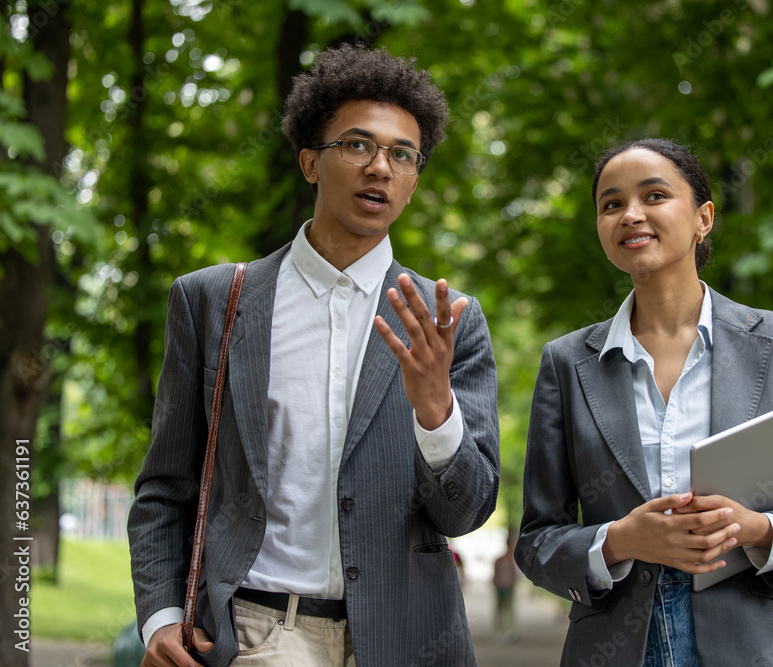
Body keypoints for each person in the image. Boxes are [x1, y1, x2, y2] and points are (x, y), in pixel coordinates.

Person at [128, 44, 499, 667]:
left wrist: (436, 412)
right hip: (257, 634)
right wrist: (161, 617)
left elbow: (465, 511)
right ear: (310, 162)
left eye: (401, 155)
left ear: (413, 180)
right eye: (357, 145)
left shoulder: (448, 320)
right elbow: (166, 486)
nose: (380, 167)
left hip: (407, 639)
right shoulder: (214, 301)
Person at [515, 138, 773, 666]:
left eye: (655, 195)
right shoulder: (567, 363)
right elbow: (536, 542)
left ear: (703, 217)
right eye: (611, 204)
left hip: (757, 644)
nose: (631, 215)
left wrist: (755, 529)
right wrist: (619, 540)